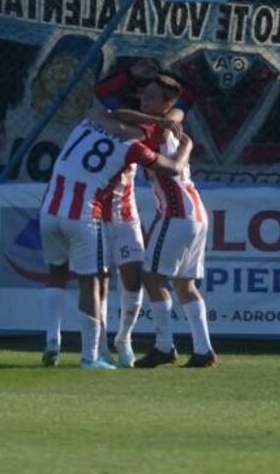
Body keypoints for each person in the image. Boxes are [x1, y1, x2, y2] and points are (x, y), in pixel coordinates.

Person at [39, 107, 191, 370]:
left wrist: (157, 118)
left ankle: (55, 340)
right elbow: (174, 168)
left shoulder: (90, 120)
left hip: (50, 209)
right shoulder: (134, 148)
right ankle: (91, 356)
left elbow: (115, 112)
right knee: (93, 282)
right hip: (86, 214)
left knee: (58, 271)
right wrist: (187, 144)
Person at [128, 74, 218, 368]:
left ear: (166, 104)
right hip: (195, 212)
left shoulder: (154, 129)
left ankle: (164, 345)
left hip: (176, 212)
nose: (144, 99)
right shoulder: (169, 123)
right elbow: (178, 111)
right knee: (184, 283)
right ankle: (204, 350)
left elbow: (117, 115)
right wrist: (170, 117)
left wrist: (167, 120)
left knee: (152, 276)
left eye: (152, 96)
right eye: (145, 93)